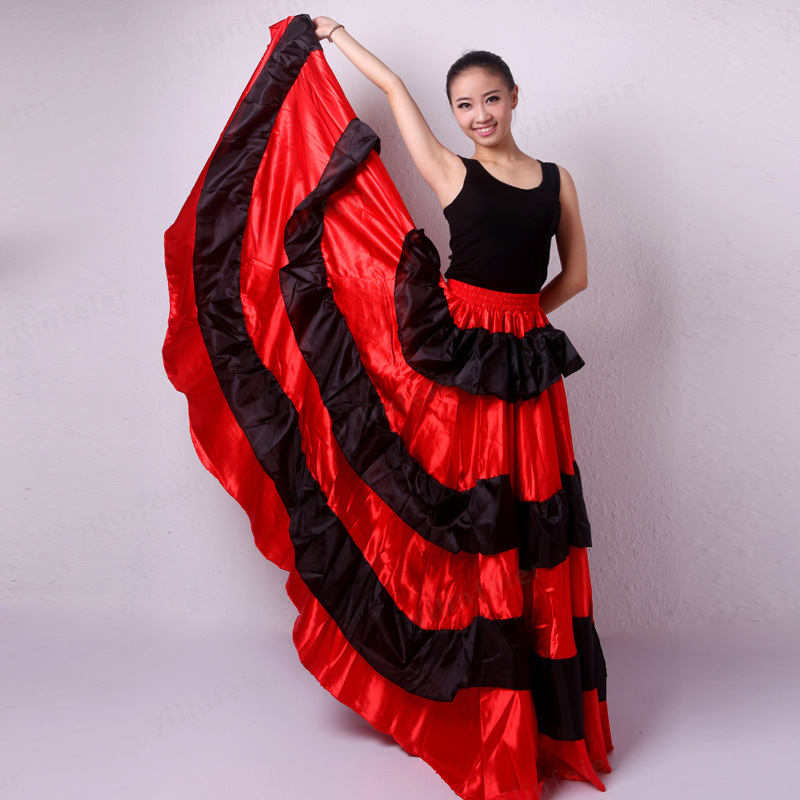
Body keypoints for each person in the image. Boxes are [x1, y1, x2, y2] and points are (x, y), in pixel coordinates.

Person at [163, 12, 613, 800]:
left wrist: (519, 329)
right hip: (470, 362)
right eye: (465, 105)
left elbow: (575, 277)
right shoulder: (450, 170)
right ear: (455, 114)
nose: (479, 115)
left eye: (491, 99)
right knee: (476, 518)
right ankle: (473, 708)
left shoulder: (557, 180)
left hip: (519, 362)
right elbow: (396, 89)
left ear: (514, 97)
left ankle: (529, 717)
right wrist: (332, 37)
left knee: (528, 520)